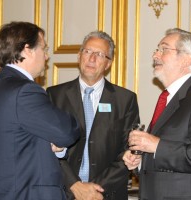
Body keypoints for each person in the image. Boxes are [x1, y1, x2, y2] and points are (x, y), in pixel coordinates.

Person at [123, 28, 191, 200]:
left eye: (164, 49)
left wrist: (156, 146)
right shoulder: (168, 98)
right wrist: (140, 162)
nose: (155, 55)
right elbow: (164, 154)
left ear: (186, 59)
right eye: (157, 49)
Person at [0, 21, 80, 199]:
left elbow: (23, 138)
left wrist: (54, 142)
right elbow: (67, 131)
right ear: (27, 50)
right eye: (44, 48)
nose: (47, 56)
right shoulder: (24, 90)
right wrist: (61, 135)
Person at [46, 31, 140, 200]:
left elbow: (128, 151)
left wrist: (94, 190)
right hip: (64, 191)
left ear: (108, 63)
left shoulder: (125, 100)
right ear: (79, 56)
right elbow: (46, 147)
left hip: (107, 193)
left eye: (99, 54)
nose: (91, 59)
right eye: (87, 52)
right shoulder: (55, 96)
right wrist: (75, 185)